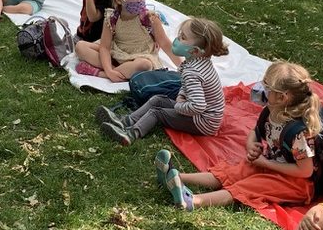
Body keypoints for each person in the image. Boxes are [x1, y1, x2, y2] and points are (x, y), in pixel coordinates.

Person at [159, 61, 320, 210]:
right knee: (234, 171)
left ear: (282, 97)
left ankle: (193, 201)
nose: (260, 89)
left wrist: (266, 164)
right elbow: (255, 132)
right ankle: (177, 178)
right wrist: (252, 145)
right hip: (272, 164)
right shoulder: (271, 112)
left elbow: (305, 171)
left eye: (266, 87)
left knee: (251, 186)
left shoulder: (299, 134)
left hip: (296, 183)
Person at [97, 17, 228, 146]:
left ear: (194, 51)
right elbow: (188, 86)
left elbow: (198, 106)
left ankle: (131, 134)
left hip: (203, 122)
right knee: (158, 99)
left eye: (183, 38)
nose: (176, 40)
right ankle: (126, 121)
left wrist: (178, 106)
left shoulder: (192, 73)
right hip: (202, 114)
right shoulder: (199, 61)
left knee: (157, 112)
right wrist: (182, 95)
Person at [72, 0, 178, 81]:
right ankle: (115, 72)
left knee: (144, 65)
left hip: (140, 56)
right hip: (116, 53)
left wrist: (183, 67)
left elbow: (165, 44)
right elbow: (105, 47)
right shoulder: (112, 18)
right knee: (80, 46)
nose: (140, 1)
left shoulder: (150, 18)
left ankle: (100, 73)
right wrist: (109, 69)